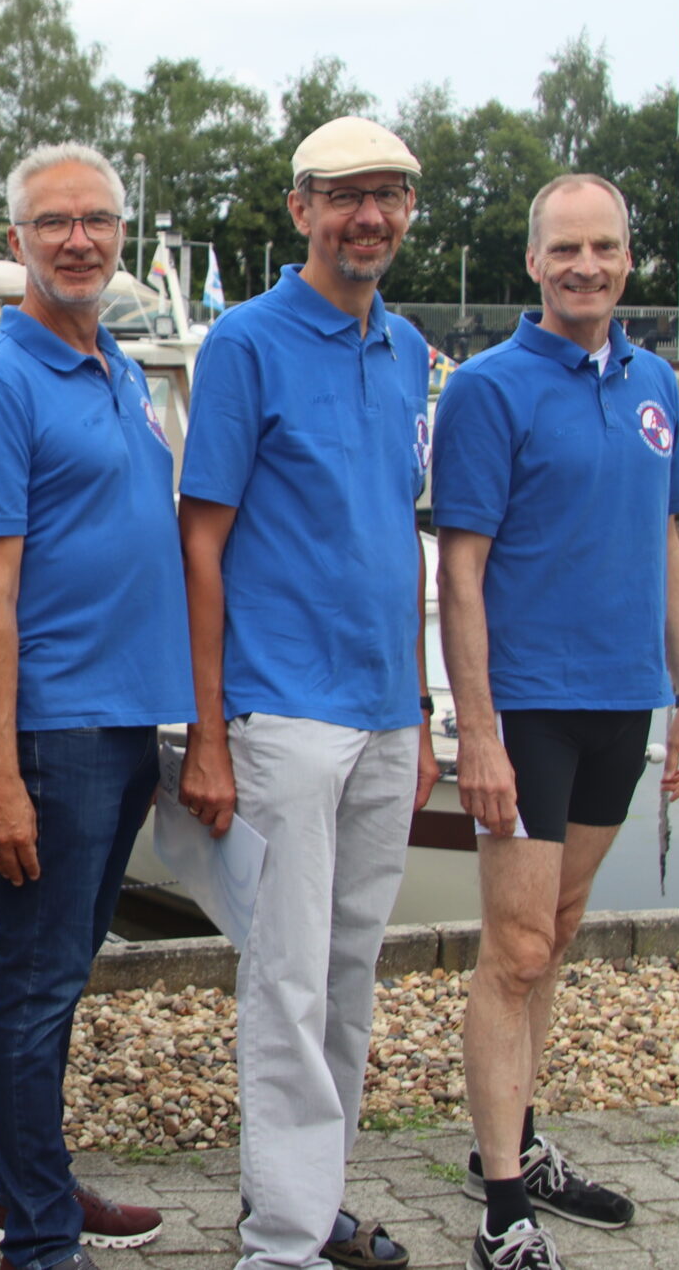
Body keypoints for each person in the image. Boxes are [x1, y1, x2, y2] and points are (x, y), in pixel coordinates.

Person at [432, 174, 679, 1270]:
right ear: (533, 262)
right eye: (564, 250)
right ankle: (503, 1205)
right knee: (512, 948)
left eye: (603, 248)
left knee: (559, 932)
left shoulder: (656, 384)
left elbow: (666, 543)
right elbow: (461, 574)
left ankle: (520, 1140)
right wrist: (481, 732)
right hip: (530, 709)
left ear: (628, 260)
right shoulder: (489, 390)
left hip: (621, 701)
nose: (584, 266)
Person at [176, 116, 438, 1270]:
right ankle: (279, 1242)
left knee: (345, 978)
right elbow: (201, 541)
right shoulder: (245, 342)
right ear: (300, 211)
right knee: (282, 981)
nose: (365, 217)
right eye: (342, 197)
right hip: (282, 714)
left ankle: (304, 1201)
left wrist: (422, 710)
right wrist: (208, 730)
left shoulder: (409, 349)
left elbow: (403, 538)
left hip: (383, 712)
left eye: (384, 196)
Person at [0, 145, 187, 1270]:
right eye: (53, 222)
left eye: (95, 219)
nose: (77, 238)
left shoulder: (120, 369)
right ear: (15, 241)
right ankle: (36, 1236)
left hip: (130, 723)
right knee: (35, 989)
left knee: (63, 977)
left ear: (118, 234)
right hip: (57, 730)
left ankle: (31, 1184)